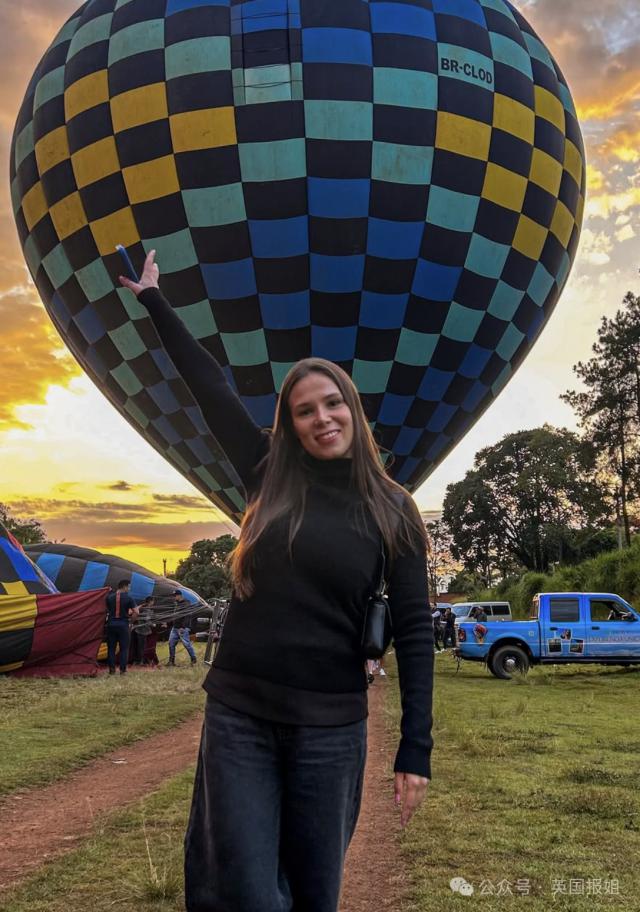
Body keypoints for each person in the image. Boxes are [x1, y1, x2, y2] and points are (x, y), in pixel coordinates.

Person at [120, 252, 434, 912]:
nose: (322, 419)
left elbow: (414, 633)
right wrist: (154, 300)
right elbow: (211, 388)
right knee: (241, 886)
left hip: (331, 727)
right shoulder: (268, 473)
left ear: (353, 409)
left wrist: (415, 748)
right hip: (240, 716)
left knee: (315, 889)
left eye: (332, 403)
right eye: (304, 411)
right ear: (289, 425)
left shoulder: (394, 509)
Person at [105, 579, 137, 675]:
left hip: (111, 625)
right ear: (124, 586)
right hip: (123, 625)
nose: (129, 589)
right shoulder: (129, 598)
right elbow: (136, 612)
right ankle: (122, 670)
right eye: (129, 587)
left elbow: (107, 610)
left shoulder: (109, 597)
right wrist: (131, 622)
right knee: (124, 648)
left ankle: (112, 669)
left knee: (111, 648)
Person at [167, 590, 197, 666]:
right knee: (171, 643)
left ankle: (193, 659)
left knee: (186, 644)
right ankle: (171, 661)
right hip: (175, 627)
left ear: (179, 595)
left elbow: (187, 616)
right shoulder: (176, 604)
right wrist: (168, 623)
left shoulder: (186, 603)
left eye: (175, 596)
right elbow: (175, 616)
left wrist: (183, 627)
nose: (174, 597)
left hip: (182, 628)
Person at [130, 596, 154, 665]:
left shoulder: (140, 607)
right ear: (150, 601)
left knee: (135, 646)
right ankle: (140, 661)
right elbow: (147, 620)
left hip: (136, 629)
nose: (153, 603)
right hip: (142, 631)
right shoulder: (147, 610)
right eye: (153, 601)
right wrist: (153, 624)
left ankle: (135, 660)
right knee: (141, 646)